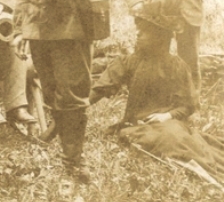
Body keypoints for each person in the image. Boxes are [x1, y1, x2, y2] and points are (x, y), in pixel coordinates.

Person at [12, 0, 120, 183]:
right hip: (40, 28)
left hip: (73, 28)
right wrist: (20, 25)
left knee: (72, 94)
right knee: (51, 92)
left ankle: (73, 162)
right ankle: (65, 139)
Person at [90, 12, 224, 186]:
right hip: (138, 124)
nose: (138, 36)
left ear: (159, 38)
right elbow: (100, 89)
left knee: (182, 141)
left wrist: (167, 116)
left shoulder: (176, 66)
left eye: (144, 33)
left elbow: (188, 105)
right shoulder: (130, 62)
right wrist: (76, 106)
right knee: (165, 140)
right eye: (138, 32)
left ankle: (204, 168)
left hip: (168, 122)